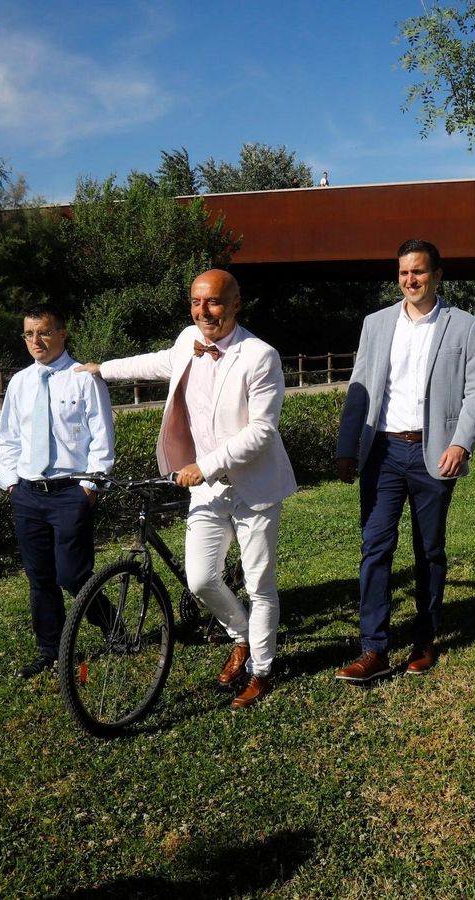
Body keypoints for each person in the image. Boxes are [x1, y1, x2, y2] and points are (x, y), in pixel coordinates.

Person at [79, 270, 297, 709]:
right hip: (207, 489)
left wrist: (206, 465)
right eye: (197, 302)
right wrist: (102, 369)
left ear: (236, 303)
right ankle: (241, 636)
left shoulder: (260, 355)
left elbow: (262, 431)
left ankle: (261, 671)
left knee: (259, 583)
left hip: (254, 486)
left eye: (213, 302)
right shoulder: (187, 341)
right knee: (200, 578)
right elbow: (154, 362)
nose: (203, 311)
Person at [334, 239, 475, 683]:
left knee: (429, 550)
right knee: (375, 547)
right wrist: (347, 447)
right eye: (404, 272)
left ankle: (425, 638)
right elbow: (359, 388)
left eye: (418, 272)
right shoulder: (376, 323)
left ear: (437, 275)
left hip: (434, 453)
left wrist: (461, 444)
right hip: (382, 452)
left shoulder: (464, 325)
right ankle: (374, 648)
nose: (410, 280)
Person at [0, 306, 116, 679]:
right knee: (40, 579)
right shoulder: (20, 382)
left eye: (44, 332)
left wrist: (89, 486)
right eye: (29, 334)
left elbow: (102, 435)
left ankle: (112, 626)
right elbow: (8, 436)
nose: (36, 341)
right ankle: (51, 652)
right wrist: (11, 482)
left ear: (63, 333)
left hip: (70, 493)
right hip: (28, 493)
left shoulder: (84, 379)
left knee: (72, 575)